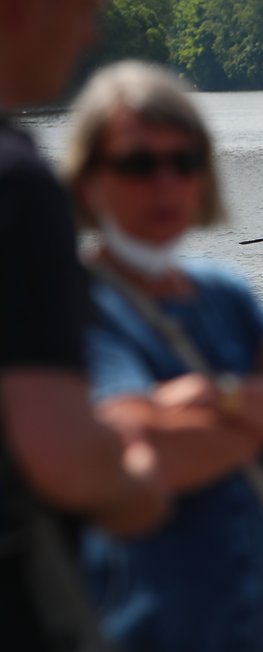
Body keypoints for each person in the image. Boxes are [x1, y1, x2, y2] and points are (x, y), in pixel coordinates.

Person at [63, 60, 263, 651]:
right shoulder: (78, 306)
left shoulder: (225, 294)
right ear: (91, 179)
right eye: (139, 164)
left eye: (184, 161)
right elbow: (143, 461)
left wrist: (218, 397)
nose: (166, 183)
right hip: (151, 622)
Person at [0, 2, 168, 649]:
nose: (90, 32)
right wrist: (145, 473)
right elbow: (62, 458)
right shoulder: (18, 185)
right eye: (78, 10)